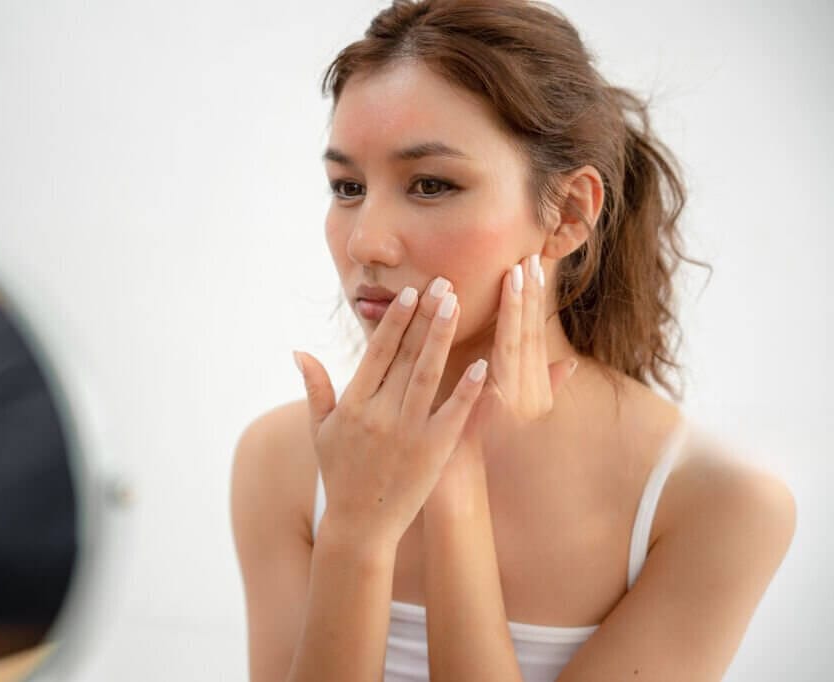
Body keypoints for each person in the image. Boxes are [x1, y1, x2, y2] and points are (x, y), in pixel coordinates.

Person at [230, 1, 796, 680]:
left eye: (431, 184)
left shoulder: (716, 506)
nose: (365, 243)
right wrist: (354, 532)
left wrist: (455, 480)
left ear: (568, 213)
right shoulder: (281, 462)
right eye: (347, 186)